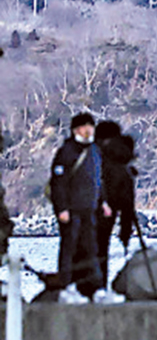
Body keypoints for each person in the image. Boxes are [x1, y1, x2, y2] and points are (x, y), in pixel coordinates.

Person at [49, 111, 109, 299]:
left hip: (89, 209)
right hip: (71, 210)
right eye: (85, 126)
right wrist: (61, 208)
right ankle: (66, 286)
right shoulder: (66, 152)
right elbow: (57, 183)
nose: (88, 130)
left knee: (91, 249)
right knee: (69, 248)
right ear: (76, 129)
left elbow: (98, 180)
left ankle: (94, 287)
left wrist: (103, 202)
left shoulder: (94, 151)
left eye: (90, 126)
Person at [94, 120, 138, 292]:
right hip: (108, 216)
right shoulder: (122, 162)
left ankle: (89, 290)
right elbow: (127, 204)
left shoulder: (96, 156)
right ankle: (100, 290)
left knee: (87, 255)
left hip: (88, 213)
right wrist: (126, 231)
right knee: (102, 253)